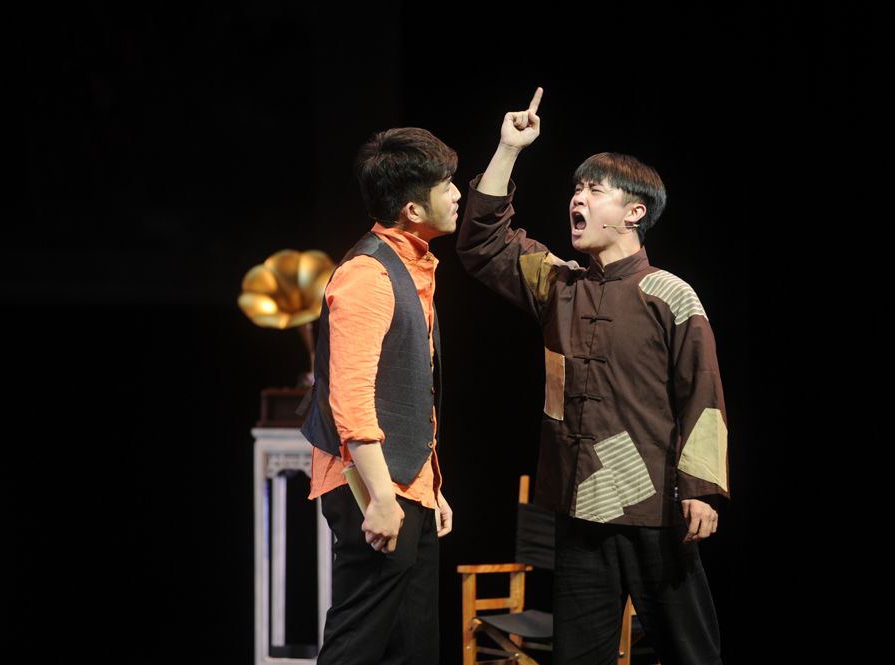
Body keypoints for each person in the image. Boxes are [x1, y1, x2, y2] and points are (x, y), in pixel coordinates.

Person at [457, 88, 729, 665]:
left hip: (655, 507)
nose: (577, 198)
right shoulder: (559, 285)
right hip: (579, 509)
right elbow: (481, 241)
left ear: (635, 212)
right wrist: (508, 150)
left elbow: (702, 394)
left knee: (691, 652)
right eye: (576, 189)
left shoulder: (670, 293)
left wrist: (702, 489)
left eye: (595, 190)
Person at [300, 127, 458, 665]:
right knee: (359, 641)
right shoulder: (367, 274)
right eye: (446, 185)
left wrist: (428, 485)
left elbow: (409, 388)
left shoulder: (413, 265)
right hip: (369, 482)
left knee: (413, 644)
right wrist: (383, 498)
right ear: (412, 209)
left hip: (407, 481)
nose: (456, 194)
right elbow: (351, 398)